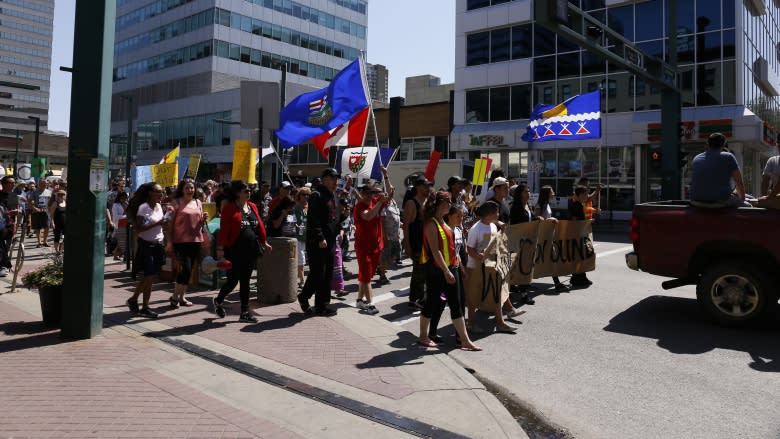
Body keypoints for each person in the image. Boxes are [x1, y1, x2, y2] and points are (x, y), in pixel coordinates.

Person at [417, 190, 482, 351]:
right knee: (431, 304)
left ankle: (465, 341)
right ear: (441, 204)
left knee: (456, 305)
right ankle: (423, 336)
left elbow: (451, 248)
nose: (450, 205)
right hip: (438, 272)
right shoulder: (431, 223)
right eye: (448, 202)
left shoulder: (443, 221)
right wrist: (446, 271)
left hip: (450, 268)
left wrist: (456, 265)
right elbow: (435, 251)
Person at [213, 180, 272, 323]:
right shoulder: (229, 208)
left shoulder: (252, 206)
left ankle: (244, 312)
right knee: (233, 280)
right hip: (234, 250)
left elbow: (259, 226)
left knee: (245, 280)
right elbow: (224, 230)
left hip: (250, 250)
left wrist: (265, 242)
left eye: (250, 190)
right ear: (238, 193)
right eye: (246, 190)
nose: (249, 192)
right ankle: (219, 300)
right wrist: (220, 248)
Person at [465, 201, 516, 334]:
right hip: (475, 267)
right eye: (496, 212)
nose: (498, 214)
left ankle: (500, 323)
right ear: (488, 214)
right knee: (474, 295)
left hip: (492, 267)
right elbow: (469, 249)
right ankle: (470, 323)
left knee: (496, 293)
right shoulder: (476, 229)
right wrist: (479, 256)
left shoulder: (493, 226)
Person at [298, 168, 341, 317]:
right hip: (318, 242)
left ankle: (322, 305)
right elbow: (314, 219)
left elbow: (333, 218)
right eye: (332, 178)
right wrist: (320, 237)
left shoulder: (332, 195)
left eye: (336, 178)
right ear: (324, 179)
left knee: (327, 274)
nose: (336, 181)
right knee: (318, 273)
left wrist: (340, 226)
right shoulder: (316, 195)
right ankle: (304, 297)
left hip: (330, 241)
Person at [126, 182, 169, 318]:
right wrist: (158, 223)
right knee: (149, 276)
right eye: (158, 191)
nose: (161, 194)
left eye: (161, 191)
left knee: (149, 276)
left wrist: (166, 234)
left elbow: (161, 226)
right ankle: (145, 307)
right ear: (150, 193)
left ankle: (133, 299)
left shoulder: (159, 207)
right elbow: (138, 229)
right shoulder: (143, 208)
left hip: (158, 244)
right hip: (146, 245)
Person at [167, 179, 208, 309]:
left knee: (189, 271)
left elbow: (199, 223)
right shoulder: (176, 203)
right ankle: (174, 297)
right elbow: (169, 224)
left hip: (195, 241)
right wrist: (169, 242)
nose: (190, 190)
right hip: (180, 242)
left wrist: (203, 219)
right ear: (182, 189)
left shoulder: (198, 202)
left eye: (192, 188)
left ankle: (182, 297)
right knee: (186, 269)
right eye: (187, 188)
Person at [353, 178, 392, 315]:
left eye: (372, 193)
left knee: (366, 275)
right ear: (362, 194)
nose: (370, 195)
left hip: (376, 246)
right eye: (367, 193)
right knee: (367, 277)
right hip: (363, 247)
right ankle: (370, 304)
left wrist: (385, 176)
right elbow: (368, 216)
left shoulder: (375, 202)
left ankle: (359, 300)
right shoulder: (359, 207)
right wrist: (380, 201)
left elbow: (390, 193)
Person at [690, 133, 747, 207]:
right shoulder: (728, 157)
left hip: (696, 201)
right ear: (723, 145)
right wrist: (742, 200)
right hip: (721, 200)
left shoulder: (696, 158)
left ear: (708, 144)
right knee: (749, 207)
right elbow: (739, 183)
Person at [533, 185, 572, 294]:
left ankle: (525, 283)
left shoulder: (546, 204)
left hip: (548, 236)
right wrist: (550, 219)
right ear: (547, 193)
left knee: (547, 259)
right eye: (552, 191)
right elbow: (536, 218)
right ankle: (557, 283)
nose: (554, 193)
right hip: (542, 237)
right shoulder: (540, 204)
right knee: (551, 259)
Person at [402, 176, 433, 310]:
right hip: (416, 244)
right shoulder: (411, 203)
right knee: (421, 274)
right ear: (418, 187)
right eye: (425, 186)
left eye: (429, 186)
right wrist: (407, 245)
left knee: (418, 273)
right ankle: (419, 300)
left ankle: (412, 299)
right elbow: (406, 226)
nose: (428, 188)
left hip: (427, 244)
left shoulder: (428, 201)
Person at [568, 186, 598, 287]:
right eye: (584, 194)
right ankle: (578, 278)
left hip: (580, 233)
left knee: (581, 256)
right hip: (577, 234)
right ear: (578, 195)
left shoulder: (580, 205)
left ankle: (579, 277)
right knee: (580, 256)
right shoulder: (576, 205)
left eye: (587, 194)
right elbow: (574, 221)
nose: (586, 196)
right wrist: (587, 223)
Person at [0, 175, 19, 277]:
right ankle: (5, 265)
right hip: (1, 224)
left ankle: (4, 265)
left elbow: (18, 208)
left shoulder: (14, 195)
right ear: (3, 184)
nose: (13, 185)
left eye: (13, 183)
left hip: (10, 225)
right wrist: (8, 213)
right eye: (10, 183)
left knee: (6, 247)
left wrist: (18, 211)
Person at [293, 186, 310, 287]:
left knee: (308, 259)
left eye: (308, 195)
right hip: (299, 237)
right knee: (301, 259)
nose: (306, 197)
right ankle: (302, 280)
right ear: (299, 196)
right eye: (304, 194)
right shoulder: (296, 207)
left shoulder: (311, 206)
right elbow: (293, 221)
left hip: (310, 236)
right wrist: (297, 226)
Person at [28, 179, 51, 248]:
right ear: (39, 184)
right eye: (43, 183)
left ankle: (45, 242)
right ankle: (39, 242)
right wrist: (34, 208)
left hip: (46, 211)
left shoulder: (49, 191)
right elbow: (29, 201)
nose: (44, 185)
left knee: (47, 227)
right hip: (37, 211)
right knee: (38, 228)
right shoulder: (35, 191)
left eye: (45, 184)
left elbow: (50, 201)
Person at [111, 191, 129, 261]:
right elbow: (115, 217)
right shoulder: (115, 205)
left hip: (126, 224)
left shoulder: (126, 203)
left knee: (122, 241)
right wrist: (126, 216)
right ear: (119, 198)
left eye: (125, 198)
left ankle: (115, 254)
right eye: (123, 198)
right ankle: (123, 255)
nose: (124, 199)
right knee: (122, 241)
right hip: (119, 225)